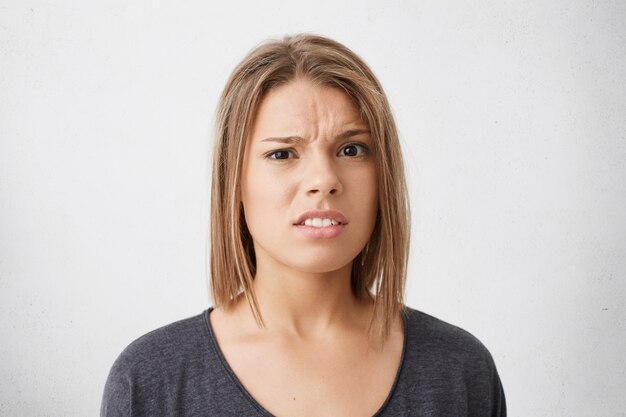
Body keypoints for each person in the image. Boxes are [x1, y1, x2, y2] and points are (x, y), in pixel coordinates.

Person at [101, 33, 506, 417]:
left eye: (351, 149)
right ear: (234, 181)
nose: (324, 179)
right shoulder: (150, 381)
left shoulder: (461, 371)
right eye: (282, 154)